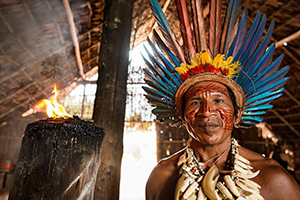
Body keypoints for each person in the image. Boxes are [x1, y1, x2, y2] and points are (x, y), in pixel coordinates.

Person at [142, 0, 300, 199]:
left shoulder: (273, 179)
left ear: (237, 114)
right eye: (195, 102)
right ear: (182, 116)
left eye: (219, 101)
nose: (207, 111)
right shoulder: (162, 177)